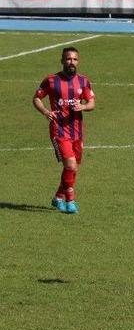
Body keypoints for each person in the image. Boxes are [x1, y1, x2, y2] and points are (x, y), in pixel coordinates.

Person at [32, 47, 96, 214]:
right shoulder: (51, 81)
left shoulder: (83, 81)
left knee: (72, 168)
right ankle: (70, 200)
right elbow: (37, 98)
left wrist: (83, 106)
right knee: (71, 165)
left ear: (78, 61)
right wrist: (46, 111)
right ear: (62, 61)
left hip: (77, 132)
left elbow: (91, 103)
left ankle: (58, 197)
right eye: (68, 59)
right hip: (59, 130)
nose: (71, 62)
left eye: (74, 59)